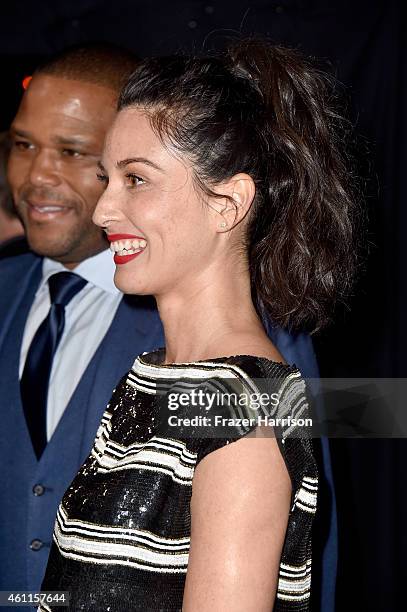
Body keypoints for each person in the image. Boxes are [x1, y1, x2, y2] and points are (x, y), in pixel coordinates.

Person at [0, 42, 326, 603]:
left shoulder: (241, 402)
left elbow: (349, 418)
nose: (104, 211)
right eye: (108, 176)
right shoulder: (153, 372)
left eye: (137, 179)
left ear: (228, 203)